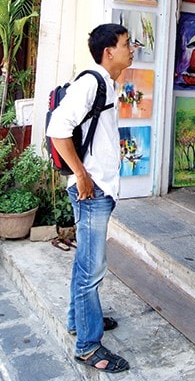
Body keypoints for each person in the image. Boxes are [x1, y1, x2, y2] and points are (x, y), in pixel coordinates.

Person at [46, 23, 133, 374]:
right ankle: (88, 345)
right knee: (91, 270)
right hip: (91, 191)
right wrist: (82, 176)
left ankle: (78, 322)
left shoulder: (107, 83)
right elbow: (57, 130)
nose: (132, 49)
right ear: (108, 52)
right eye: (127, 44)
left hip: (98, 188)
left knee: (86, 264)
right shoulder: (91, 82)